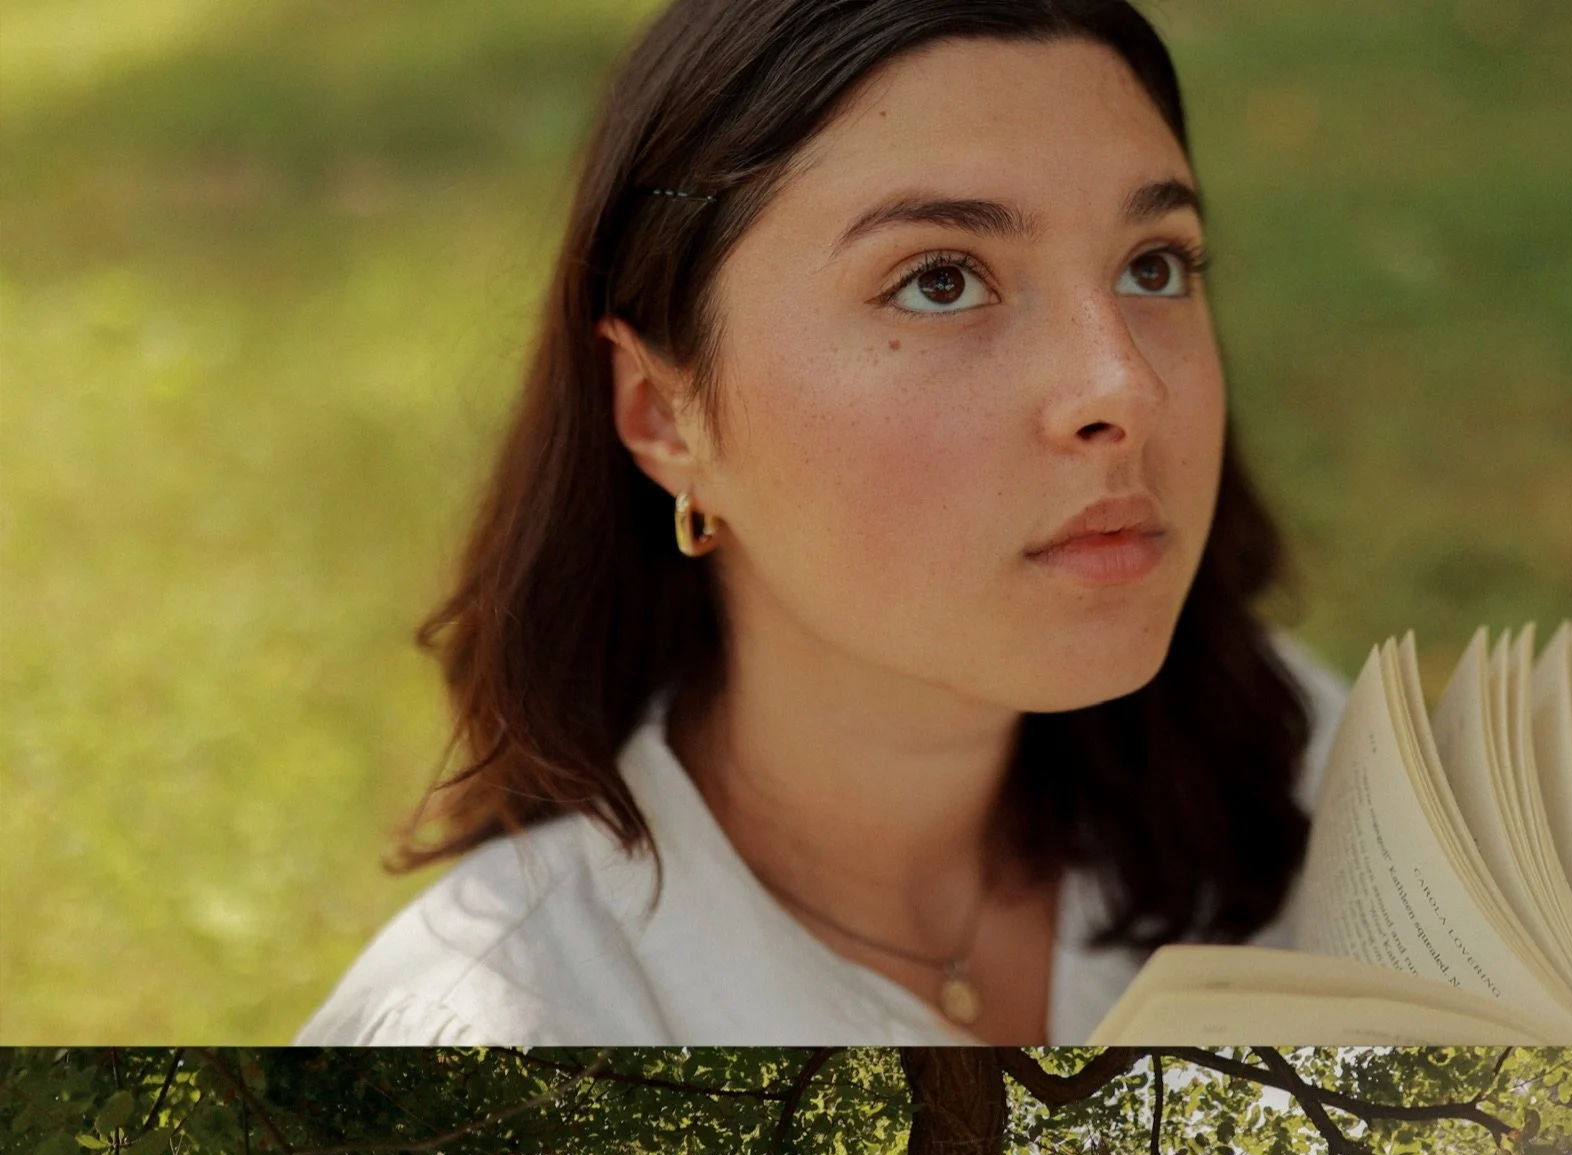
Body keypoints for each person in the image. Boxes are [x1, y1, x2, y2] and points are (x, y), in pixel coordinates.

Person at [299, 0, 1349, 1048]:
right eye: (940, 281)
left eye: (1152, 265)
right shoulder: (489, 1037)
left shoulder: (1319, 777)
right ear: (665, 415)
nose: (1124, 386)